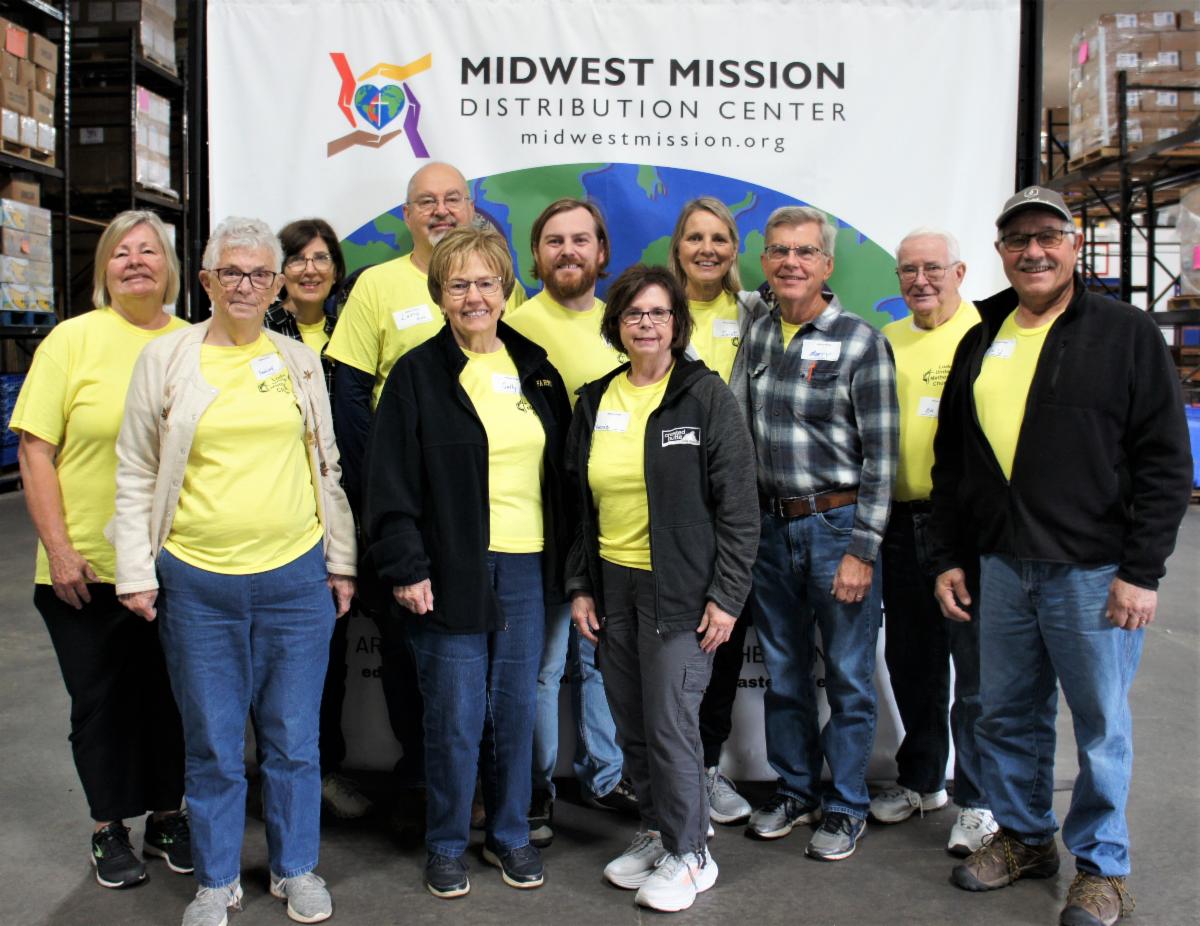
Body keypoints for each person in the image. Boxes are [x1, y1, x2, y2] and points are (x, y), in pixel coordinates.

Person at [930, 187, 1192, 926]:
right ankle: (1025, 839)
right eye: (1018, 240)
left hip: (1094, 570)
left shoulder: (1124, 333)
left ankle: (1103, 868)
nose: (1034, 251)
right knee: (1006, 714)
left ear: (1074, 245)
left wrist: (1141, 572)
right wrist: (950, 554)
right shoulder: (982, 334)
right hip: (1002, 566)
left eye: (1048, 236)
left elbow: (1166, 460)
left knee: (1101, 725)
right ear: (1000, 252)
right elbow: (955, 462)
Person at [113, 217, 357, 926]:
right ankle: (216, 881)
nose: (245, 285)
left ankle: (295, 868)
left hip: (296, 579)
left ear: (276, 285)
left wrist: (340, 560)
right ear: (207, 281)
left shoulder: (298, 361)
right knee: (214, 743)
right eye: (231, 272)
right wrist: (136, 570)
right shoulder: (166, 358)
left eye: (259, 274)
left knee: (293, 739)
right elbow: (135, 470)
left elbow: (327, 466)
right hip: (196, 582)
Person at [363, 226, 571, 899]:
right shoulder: (416, 375)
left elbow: (563, 476)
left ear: (506, 290)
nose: (474, 296)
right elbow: (388, 483)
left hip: (526, 567)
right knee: (454, 716)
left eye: (486, 282)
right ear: (440, 295)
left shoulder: (536, 368)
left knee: (513, 711)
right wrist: (406, 566)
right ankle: (447, 842)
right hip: (449, 568)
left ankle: (510, 834)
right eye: (459, 285)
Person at [325, 163, 523, 827]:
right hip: (405, 509)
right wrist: (377, 497)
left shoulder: (501, 285)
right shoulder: (376, 285)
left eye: (452, 199)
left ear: (472, 208)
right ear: (407, 214)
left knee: (489, 662)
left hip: (487, 515)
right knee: (410, 648)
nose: (440, 210)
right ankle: (425, 781)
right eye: (425, 201)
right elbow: (351, 396)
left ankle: (487, 792)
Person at [8, 210, 190, 890]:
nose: (135, 261)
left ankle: (168, 816)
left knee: (172, 698)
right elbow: (35, 449)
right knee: (101, 702)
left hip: (175, 562)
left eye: (149, 251)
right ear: (104, 269)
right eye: (121, 253)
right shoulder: (71, 340)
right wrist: (58, 549)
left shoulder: (193, 343)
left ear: (170, 268)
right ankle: (107, 826)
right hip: (86, 564)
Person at [567, 264, 758, 912]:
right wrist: (581, 585)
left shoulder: (704, 397)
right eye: (633, 313)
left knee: (672, 723)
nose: (646, 324)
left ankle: (691, 852)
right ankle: (657, 831)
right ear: (616, 324)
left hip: (682, 590)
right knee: (633, 722)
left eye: (658, 312)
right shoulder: (595, 400)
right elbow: (579, 508)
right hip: (612, 585)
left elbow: (740, 508)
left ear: (677, 323)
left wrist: (727, 597)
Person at [734, 205, 898, 861]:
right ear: (765, 262)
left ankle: (847, 804)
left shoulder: (861, 342)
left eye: (805, 252)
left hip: (838, 528)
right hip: (770, 530)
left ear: (828, 264)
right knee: (784, 672)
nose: (791, 262)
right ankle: (796, 790)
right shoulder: (757, 333)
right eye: (778, 251)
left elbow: (882, 460)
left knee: (850, 677)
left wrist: (863, 550)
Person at [505, 197, 631, 844]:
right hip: (541, 526)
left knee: (605, 660)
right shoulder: (511, 329)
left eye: (581, 239)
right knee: (544, 666)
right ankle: (535, 794)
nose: (568, 251)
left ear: (601, 252)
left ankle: (607, 776)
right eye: (554, 240)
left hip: (615, 526)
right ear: (536, 255)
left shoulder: (624, 326)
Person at [870, 228, 996, 855]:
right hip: (896, 523)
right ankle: (922, 780)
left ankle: (978, 799)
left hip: (963, 531)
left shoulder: (987, 337)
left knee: (975, 673)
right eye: (908, 270)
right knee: (912, 663)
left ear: (960, 272)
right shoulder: (885, 341)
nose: (920, 281)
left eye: (933, 268)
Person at [265, 218, 372, 821]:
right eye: (297, 258)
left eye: (322, 258)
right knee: (280, 661)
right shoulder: (260, 330)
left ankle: (322, 770)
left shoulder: (347, 329)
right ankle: (281, 777)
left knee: (328, 657)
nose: (310, 269)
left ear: (336, 268)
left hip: (343, 508)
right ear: (279, 271)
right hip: (282, 511)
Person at [667, 196, 766, 825]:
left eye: (719, 238)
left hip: (738, 506)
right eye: (695, 237)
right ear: (677, 247)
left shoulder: (757, 312)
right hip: (671, 505)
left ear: (734, 249)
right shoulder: (658, 308)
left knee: (724, 642)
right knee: (671, 647)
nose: (707, 249)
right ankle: (667, 774)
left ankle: (705, 768)